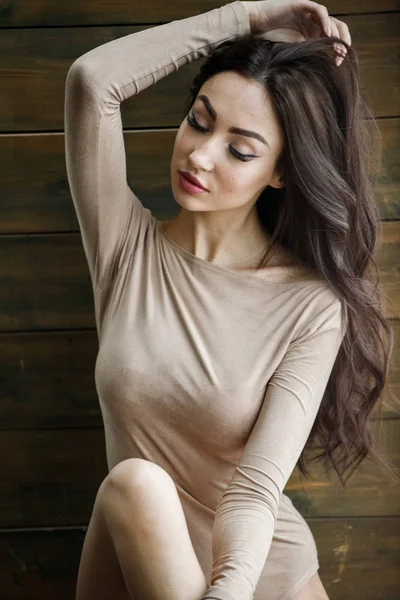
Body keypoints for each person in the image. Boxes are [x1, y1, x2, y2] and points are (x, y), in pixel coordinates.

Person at [64, 1, 395, 599]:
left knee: (134, 484)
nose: (199, 155)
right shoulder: (125, 247)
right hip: (138, 544)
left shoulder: (311, 305)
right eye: (199, 120)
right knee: (135, 484)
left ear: (280, 172)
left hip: (256, 576)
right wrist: (244, 19)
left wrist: (228, 591)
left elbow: (253, 490)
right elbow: (93, 83)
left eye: (240, 150)